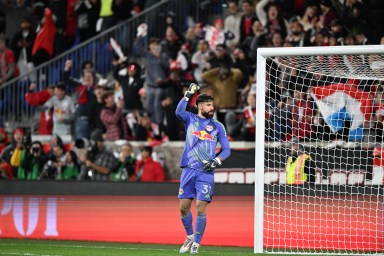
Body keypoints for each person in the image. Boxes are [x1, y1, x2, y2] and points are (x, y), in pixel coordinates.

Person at [175, 84, 231, 254]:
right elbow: (178, 111)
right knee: (184, 207)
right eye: (208, 105)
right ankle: (190, 236)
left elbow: (227, 149)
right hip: (189, 169)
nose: (211, 107)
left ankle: (196, 244)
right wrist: (188, 94)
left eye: (212, 105)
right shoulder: (190, 119)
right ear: (199, 106)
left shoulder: (218, 126)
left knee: (200, 206)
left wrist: (217, 161)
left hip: (206, 172)